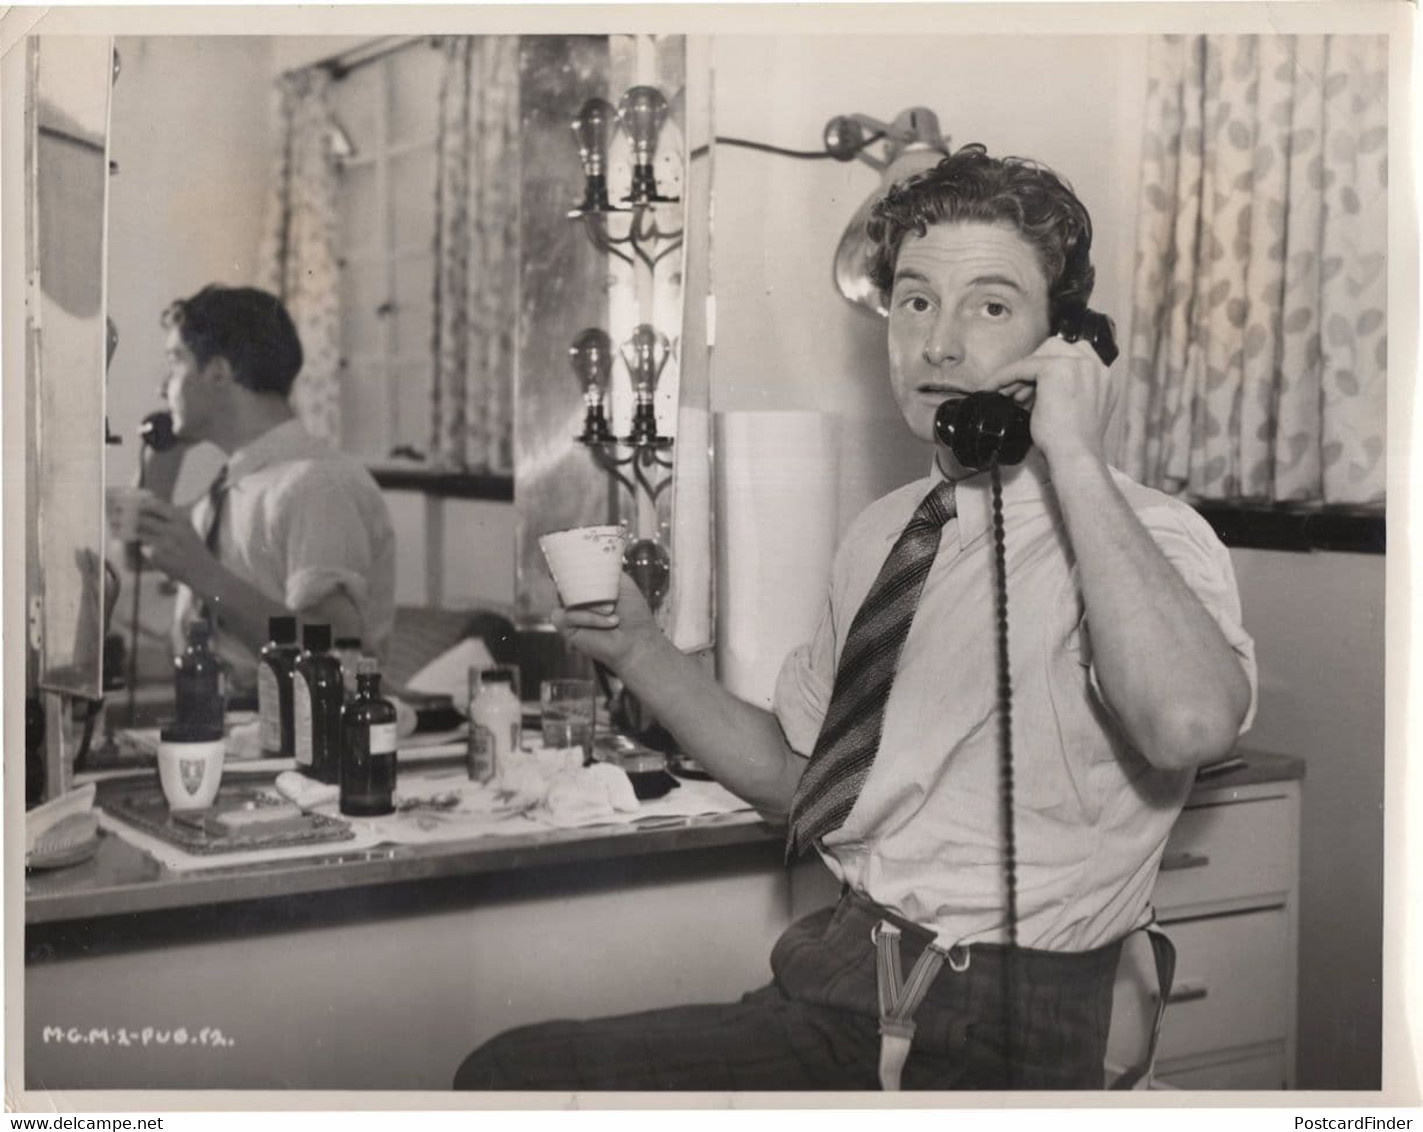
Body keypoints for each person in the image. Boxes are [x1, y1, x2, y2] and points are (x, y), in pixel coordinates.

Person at [454, 145, 1257, 1091]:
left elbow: (1190, 724)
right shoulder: (885, 532)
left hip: (1001, 1024)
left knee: (517, 1083)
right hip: (842, 976)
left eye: (989, 306)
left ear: (1066, 349)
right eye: (915, 301)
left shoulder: (1146, 538)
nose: (940, 344)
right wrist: (635, 647)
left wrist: (1074, 456)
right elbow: (800, 782)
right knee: (512, 1071)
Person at [134, 285, 396, 702]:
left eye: (175, 362)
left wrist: (204, 574)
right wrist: (158, 470)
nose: (163, 388)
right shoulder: (233, 487)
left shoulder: (317, 486)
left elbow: (330, 653)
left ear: (218, 372)